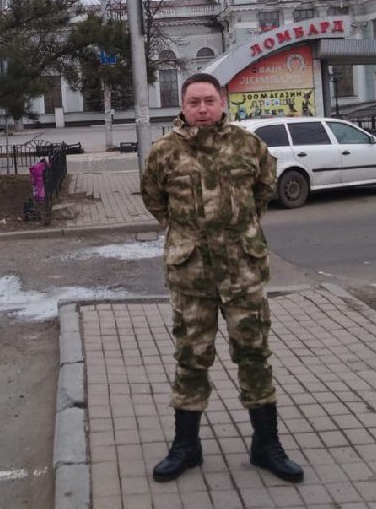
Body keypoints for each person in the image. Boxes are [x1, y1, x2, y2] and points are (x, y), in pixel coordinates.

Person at [140, 72, 304, 484]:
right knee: (191, 357)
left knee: (254, 353)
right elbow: (154, 199)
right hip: (191, 276)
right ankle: (186, 446)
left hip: (242, 273)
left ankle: (266, 445)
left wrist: (239, 233)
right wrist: (186, 235)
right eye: (194, 102)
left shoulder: (249, 146)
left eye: (209, 100)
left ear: (222, 101)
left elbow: (264, 189)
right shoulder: (164, 152)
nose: (202, 109)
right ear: (182, 105)